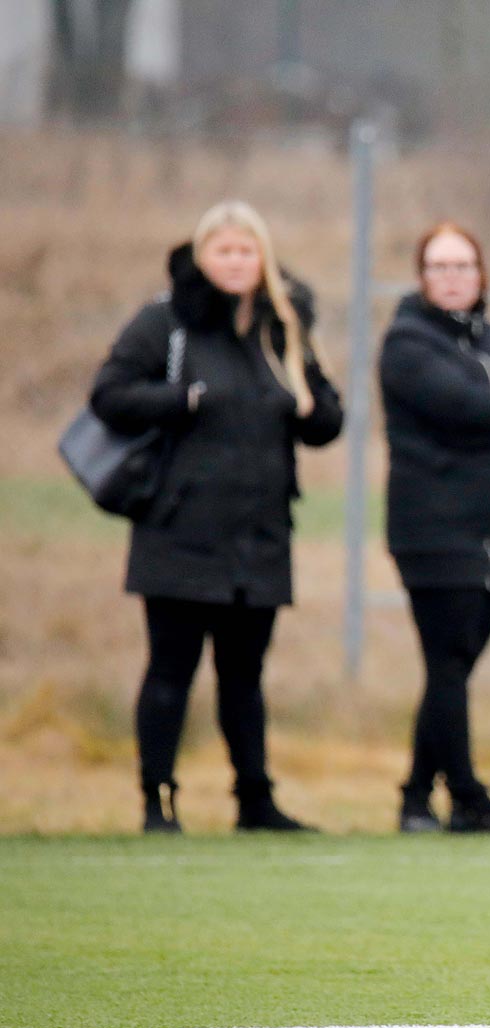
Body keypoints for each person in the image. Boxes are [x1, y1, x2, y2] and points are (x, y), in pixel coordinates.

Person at [89, 200, 342, 834]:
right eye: (224, 251)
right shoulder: (165, 323)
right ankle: (158, 801)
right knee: (171, 669)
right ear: (202, 257)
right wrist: (183, 399)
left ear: (264, 260)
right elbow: (110, 394)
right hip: (179, 528)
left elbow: (324, 418)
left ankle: (255, 800)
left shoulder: (281, 325)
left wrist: (313, 409)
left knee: (244, 677)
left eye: (247, 251)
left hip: (259, 531)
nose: (236, 262)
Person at [381, 222, 490, 835]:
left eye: (464, 266)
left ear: (481, 275)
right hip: (434, 532)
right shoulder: (407, 344)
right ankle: (466, 797)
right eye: (440, 266)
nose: (453, 278)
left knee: (451, 668)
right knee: (449, 661)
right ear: (421, 275)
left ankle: (415, 797)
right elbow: (466, 407)